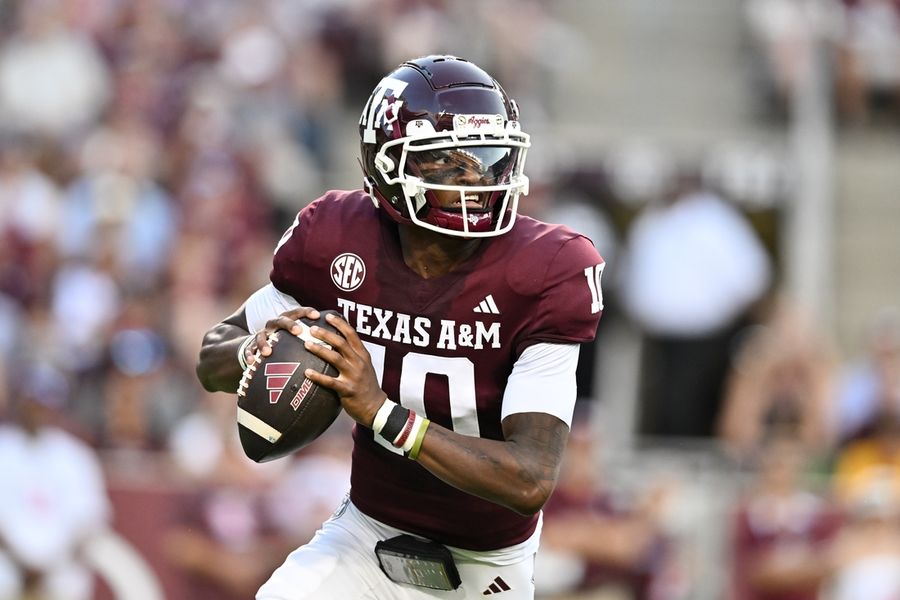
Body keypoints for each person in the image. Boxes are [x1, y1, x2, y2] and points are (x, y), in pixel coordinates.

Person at [196, 55, 605, 599]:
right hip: (366, 537)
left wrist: (383, 414)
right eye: (449, 164)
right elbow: (210, 355)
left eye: (488, 160)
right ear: (388, 169)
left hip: (485, 566)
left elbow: (530, 477)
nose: (478, 182)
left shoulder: (546, 270)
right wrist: (258, 348)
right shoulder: (336, 239)